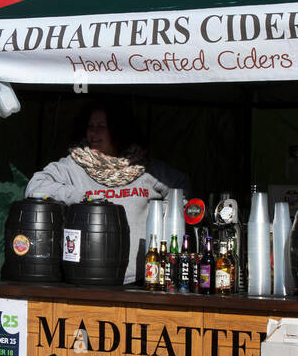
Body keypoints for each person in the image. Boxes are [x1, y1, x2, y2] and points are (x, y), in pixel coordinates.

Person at [25, 101, 189, 284]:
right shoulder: (74, 165)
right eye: (90, 126)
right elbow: (35, 186)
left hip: (139, 281)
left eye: (101, 126)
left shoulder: (146, 169)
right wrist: (79, 196)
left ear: (118, 130)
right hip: (85, 279)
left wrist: (162, 216)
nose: (93, 132)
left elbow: (181, 189)